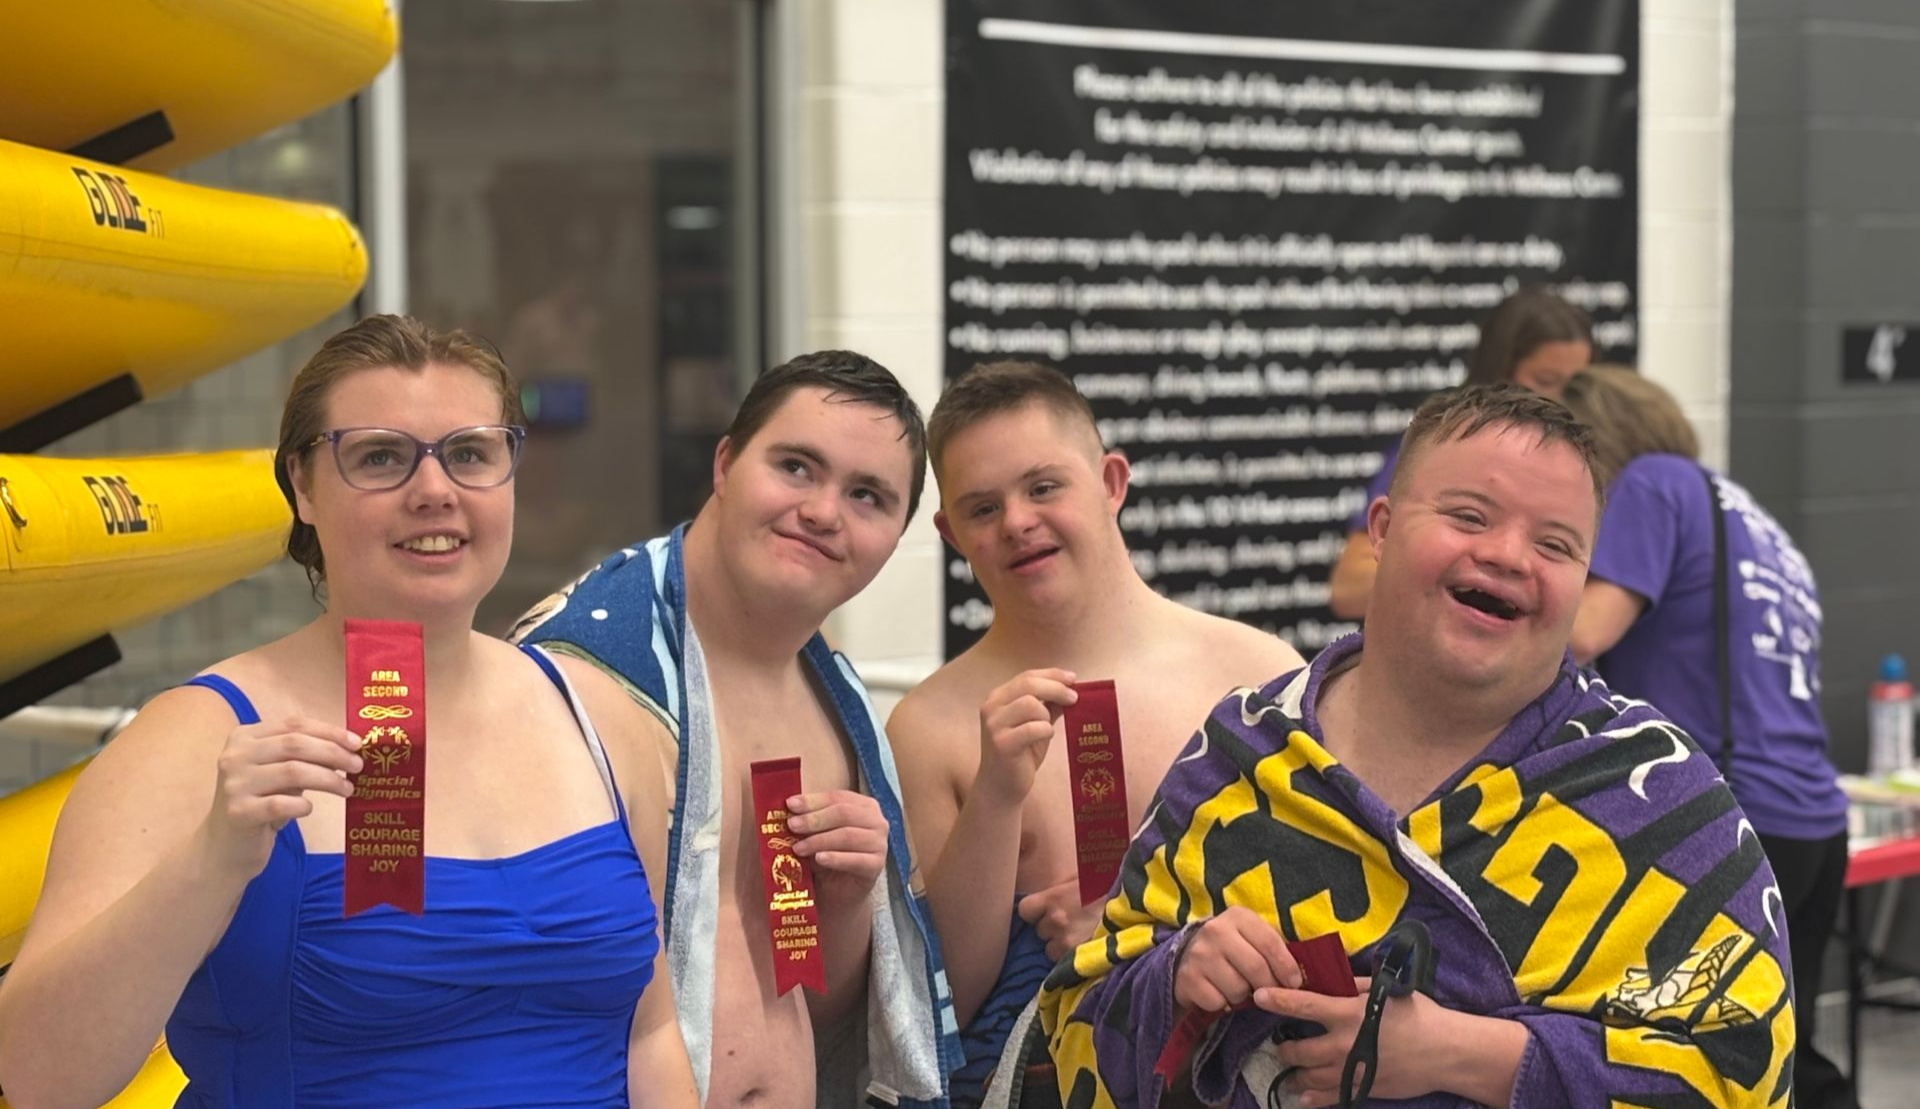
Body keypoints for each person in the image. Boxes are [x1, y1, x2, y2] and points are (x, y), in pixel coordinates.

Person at [0, 315, 699, 1109]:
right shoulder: (196, 737)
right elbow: (38, 1078)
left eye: (470, 454)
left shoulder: (598, 718)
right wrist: (212, 860)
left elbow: (649, 1034)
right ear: (302, 486)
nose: (433, 491)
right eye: (381, 457)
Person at [1038, 385, 1794, 1109]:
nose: (1507, 554)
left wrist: (1462, 1052)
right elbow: (1073, 1018)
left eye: (1555, 544)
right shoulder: (1242, 750)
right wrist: (1178, 974)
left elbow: (1744, 1071)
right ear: (1381, 529)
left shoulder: (1657, 793)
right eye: (1469, 515)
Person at [511, 351, 960, 1109]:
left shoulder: (837, 703)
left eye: (868, 496)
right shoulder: (576, 671)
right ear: (725, 464)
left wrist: (847, 903)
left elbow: (816, 1007)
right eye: (795, 466)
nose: (823, 510)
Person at [887, 361, 1305, 1106]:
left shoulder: (1256, 673)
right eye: (983, 507)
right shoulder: (931, 724)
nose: (1017, 520)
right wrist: (995, 797)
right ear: (951, 533)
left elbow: (1336, 906)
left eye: (1044, 487)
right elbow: (941, 992)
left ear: (1111, 481)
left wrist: (1140, 929)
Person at [1564, 366, 1855, 1109]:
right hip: (1812, 818)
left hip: (1729, 821)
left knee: (1686, 1059)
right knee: (1779, 1057)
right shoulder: (1745, 510)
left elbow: (1586, 630)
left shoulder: (1651, 485)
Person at [1327, 287, 1593, 619]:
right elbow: (1348, 588)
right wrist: (1444, 568)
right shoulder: (1444, 448)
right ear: (1502, 370)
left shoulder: (1593, 464)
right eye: (1468, 517)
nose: (1562, 399)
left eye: (1554, 544)